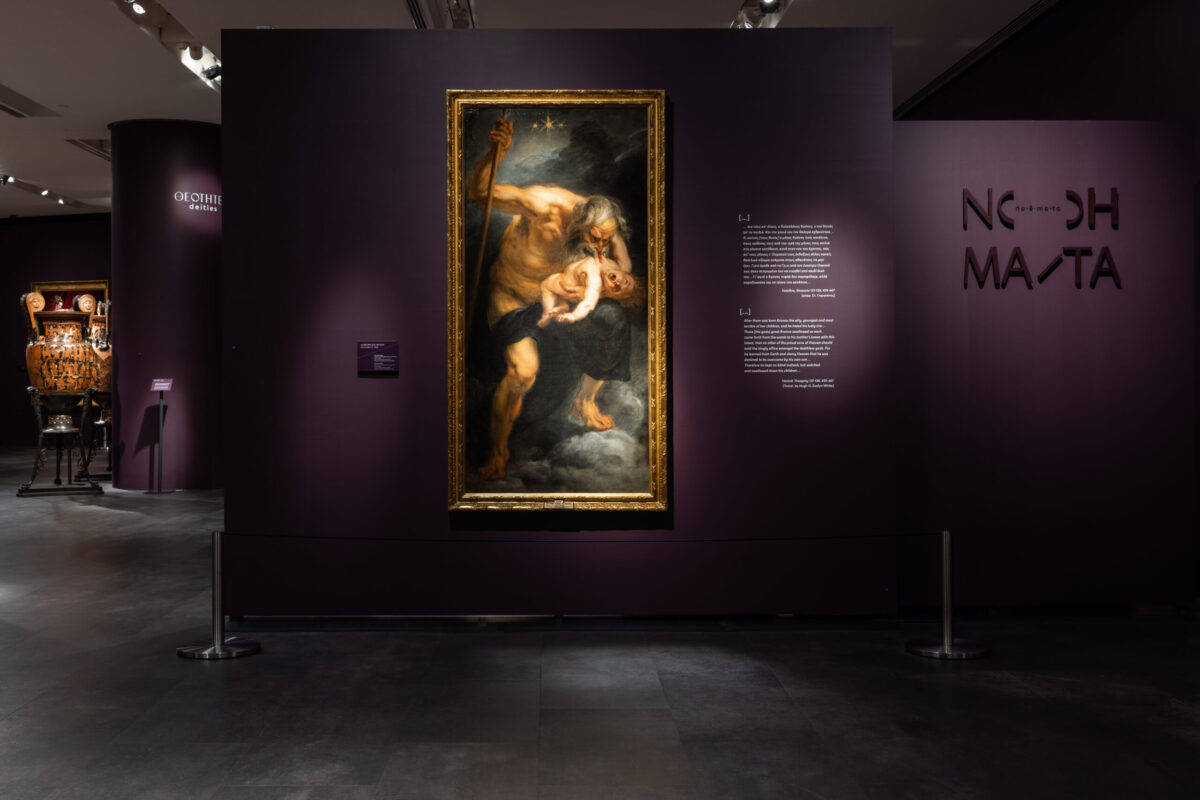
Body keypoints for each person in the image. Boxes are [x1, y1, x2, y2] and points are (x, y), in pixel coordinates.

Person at [468, 117, 634, 480]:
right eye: (595, 238)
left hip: (562, 303)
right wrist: (496, 153)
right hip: (513, 299)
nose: (600, 247)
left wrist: (621, 284)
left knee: (613, 320)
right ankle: (499, 452)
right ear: (577, 222)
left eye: (606, 240)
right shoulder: (542, 205)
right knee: (522, 373)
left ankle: (584, 402)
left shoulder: (603, 225)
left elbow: (626, 274)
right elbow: (478, 192)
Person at [537, 255, 640, 328]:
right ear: (626, 273)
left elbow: (588, 304)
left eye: (616, 289)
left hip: (566, 286)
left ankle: (547, 313)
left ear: (609, 293)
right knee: (554, 287)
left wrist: (574, 316)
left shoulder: (595, 281)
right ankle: (562, 305)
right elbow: (619, 248)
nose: (618, 283)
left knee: (546, 285)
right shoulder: (616, 265)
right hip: (565, 278)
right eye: (625, 282)